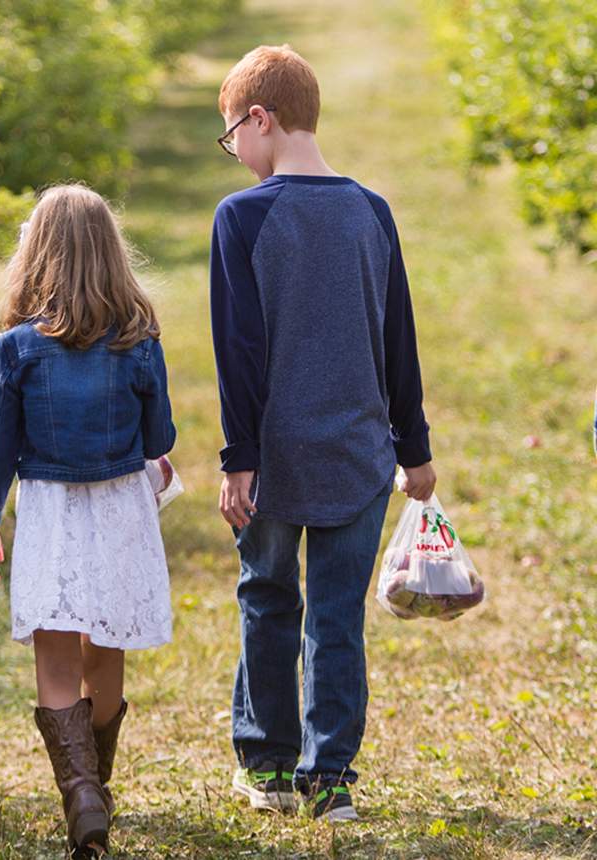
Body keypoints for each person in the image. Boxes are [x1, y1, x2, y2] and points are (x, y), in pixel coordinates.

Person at [210, 44, 436, 822]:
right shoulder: (372, 210)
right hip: (360, 456)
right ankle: (330, 776)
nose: (233, 149)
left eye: (230, 133)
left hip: (273, 460)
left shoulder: (242, 216)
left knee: (269, 598)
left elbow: (237, 349)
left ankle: (269, 764)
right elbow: (397, 337)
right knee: (336, 615)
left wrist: (237, 458)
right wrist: (416, 450)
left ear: (260, 119)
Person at [0, 184, 176, 857]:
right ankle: (96, 791)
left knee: (55, 655)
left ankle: (82, 793)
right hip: (118, 509)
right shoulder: (139, 341)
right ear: (112, 254)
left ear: (36, 255)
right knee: (102, 648)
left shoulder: (17, 348)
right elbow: (158, 436)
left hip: (51, 510)